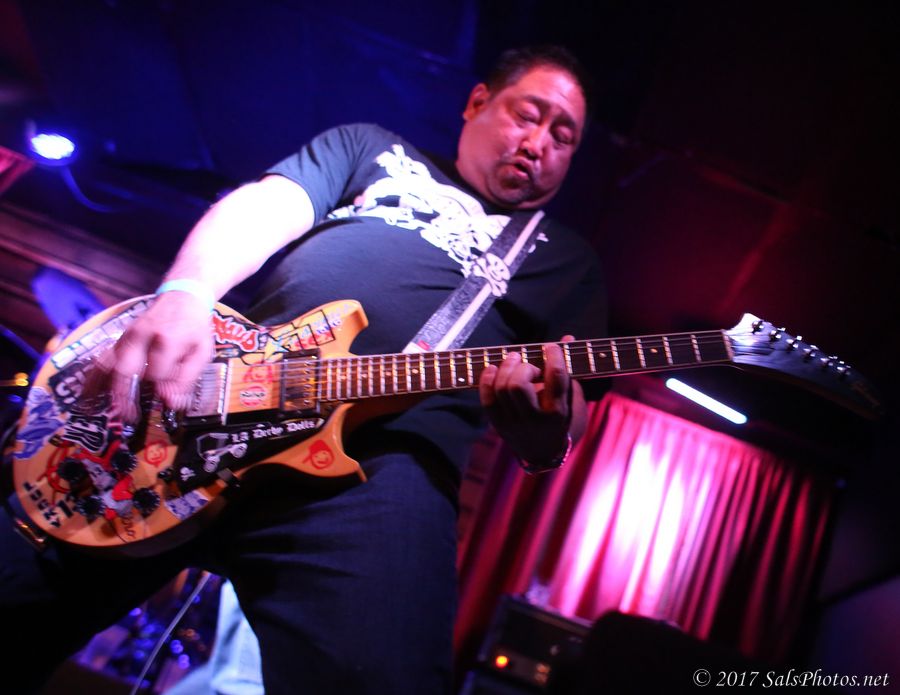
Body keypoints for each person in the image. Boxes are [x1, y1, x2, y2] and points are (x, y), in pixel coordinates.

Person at [0, 45, 607, 694]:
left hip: (384, 470)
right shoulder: (373, 150)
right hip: (209, 403)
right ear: (478, 102)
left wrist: (545, 437)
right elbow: (266, 206)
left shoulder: (566, 261)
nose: (538, 143)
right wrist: (185, 293)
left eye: (562, 136)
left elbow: (573, 403)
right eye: (527, 115)